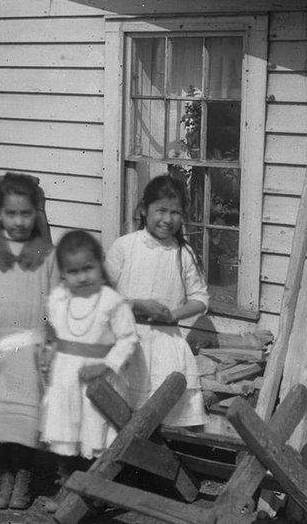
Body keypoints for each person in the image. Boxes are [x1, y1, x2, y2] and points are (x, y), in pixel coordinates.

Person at [0, 173, 57, 510]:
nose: (19, 221)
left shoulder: (46, 254)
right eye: (11, 214)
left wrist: (47, 347)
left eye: (26, 214)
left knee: (27, 413)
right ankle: (4, 475)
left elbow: (54, 304)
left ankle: (24, 476)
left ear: (37, 215)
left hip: (32, 346)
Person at [39, 230, 138, 513]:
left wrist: (104, 365)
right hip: (67, 376)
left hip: (99, 378)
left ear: (100, 264)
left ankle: (94, 493)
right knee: (67, 434)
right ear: (63, 273)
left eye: (88, 268)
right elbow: (55, 333)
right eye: (73, 271)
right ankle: (67, 487)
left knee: (94, 434)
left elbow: (128, 339)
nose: (81, 277)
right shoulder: (59, 299)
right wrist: (49, 350)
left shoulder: (111, 301)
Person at [105, 174, 208, 428]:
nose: (167, 219)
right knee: (119, 413)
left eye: (175, 212)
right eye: (161, 210)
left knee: (161, 415)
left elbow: (200, 299)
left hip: (165, 343)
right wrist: (137, 304)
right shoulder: (125, 246)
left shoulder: (184, 254)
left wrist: (172, 315)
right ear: (144, 209)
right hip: (128, 340)